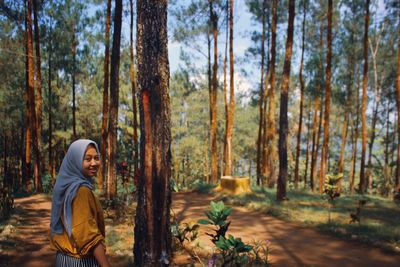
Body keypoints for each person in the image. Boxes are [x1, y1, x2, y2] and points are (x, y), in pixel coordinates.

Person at [50, 139, 111, 267]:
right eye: (87, 159)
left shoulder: (67, 185)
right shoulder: (81, 191)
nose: (94, 163)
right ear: (76, 161)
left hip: (64, 259)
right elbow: (88, 236)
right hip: (79, 261)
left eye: (96, 158)